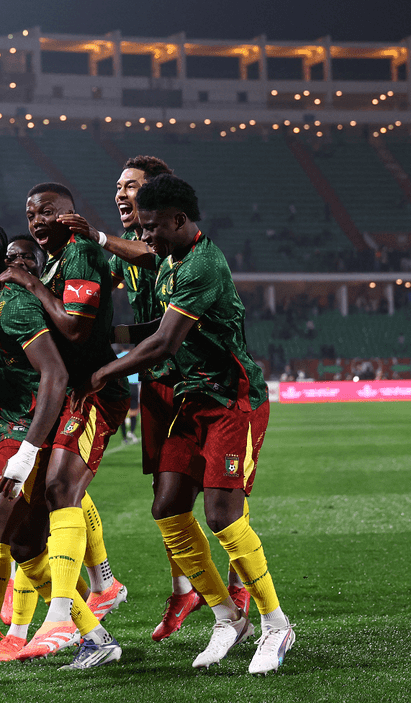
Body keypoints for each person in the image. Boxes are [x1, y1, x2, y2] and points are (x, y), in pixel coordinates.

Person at [76, 174, 294, 674]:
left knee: (222, 515)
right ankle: (227, 618)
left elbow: (165, 343)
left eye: (151, 227)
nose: (145, 236)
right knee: (168, 507)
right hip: (193, 400)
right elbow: (158, 327)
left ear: (178, 220)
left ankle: (275, 624)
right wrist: (105, 337)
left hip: (233, 400)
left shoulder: (202, 264)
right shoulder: (171, 261)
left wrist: (103, 371)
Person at [0, 219, 118, 689]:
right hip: (9, 428)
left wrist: (28, 451)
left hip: (26, 431)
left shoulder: (12, 303)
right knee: (27, 547)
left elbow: (54, 374)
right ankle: (96, 638)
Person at [0, 183, 130, 662]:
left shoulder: (78, 255)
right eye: (31, 213)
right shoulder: (54, 262)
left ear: (70, 215)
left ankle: (61, 616)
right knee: (44, 507)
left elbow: (74, 328)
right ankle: (96, 600)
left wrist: (30, 285)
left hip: (95, 393)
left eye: (47, 211)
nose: (37, 220)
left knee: (61, 488)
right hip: (72, 394)